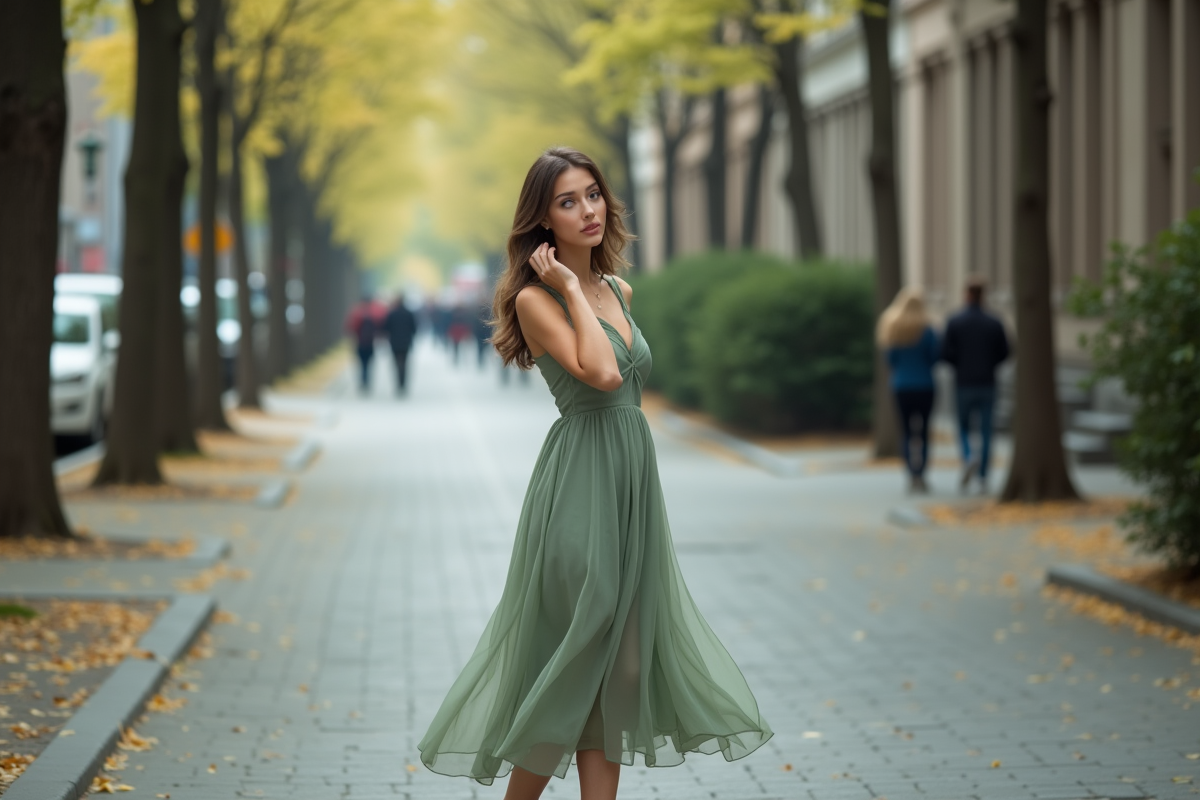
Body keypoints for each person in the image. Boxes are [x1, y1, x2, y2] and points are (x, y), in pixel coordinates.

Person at [418, 147, 771, 800]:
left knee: (623, 668)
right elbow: (604, 375)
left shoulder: (621, 291)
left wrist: (591, 289)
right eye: (567, 201)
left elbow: (626, 383)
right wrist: (573, 289)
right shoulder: (536, 300)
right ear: (543, 223)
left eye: (593, 195)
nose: (587, 210)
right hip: (579, 486)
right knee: (585, 651)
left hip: (633, 486)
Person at [941, 276, 1010, 493]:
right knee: (987, 429)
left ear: (967, 294)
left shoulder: (955, 321)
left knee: (962, 426)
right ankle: (983, 476)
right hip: (988, 382)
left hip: (963, 383)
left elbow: (944, 353)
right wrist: (990, 364)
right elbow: (1006, 351)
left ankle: (969, 456)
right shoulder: (994, 322)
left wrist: (959, 365)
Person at [878, 288, 940, 494]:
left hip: (901, 386)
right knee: (923, 432)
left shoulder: (893, 328)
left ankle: (911, 473)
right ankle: (922, 473)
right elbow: (934, 358)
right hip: (925, 385)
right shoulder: (928, 329)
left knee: (906, 432)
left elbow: (890, 360)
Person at [345, 296, 380, 394]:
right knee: (368, 364)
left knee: (362, 363)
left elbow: (351, 327)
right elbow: (379, 327)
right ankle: (367, 381)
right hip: (370, 343)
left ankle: (363, 381)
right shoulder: (374, 313)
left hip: (360, 342)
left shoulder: (357, 312)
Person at [384, 293, 417, 395]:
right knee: (404, 364)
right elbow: (414, 328)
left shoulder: (392, 313)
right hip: (406, 342)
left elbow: (386, 327)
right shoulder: (409, 313)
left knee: (396, 363)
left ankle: (398, 384)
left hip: (394, 342)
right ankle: (403, 384)